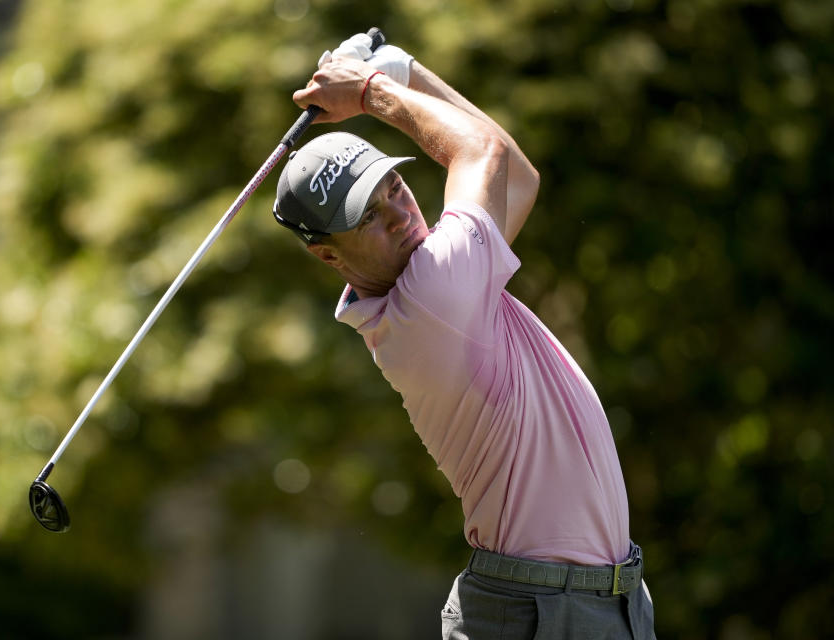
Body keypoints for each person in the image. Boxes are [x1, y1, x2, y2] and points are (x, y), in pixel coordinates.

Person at [272, 32, 656, 639]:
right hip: (541, 614)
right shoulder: (433, 295)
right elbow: (479, 151)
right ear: (328, 255)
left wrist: (402, 69)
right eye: (367, 217)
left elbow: (516, 175)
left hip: (594, 605)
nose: (401, 215)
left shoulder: (447, 280)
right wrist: (374, 91)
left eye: (394, 187)